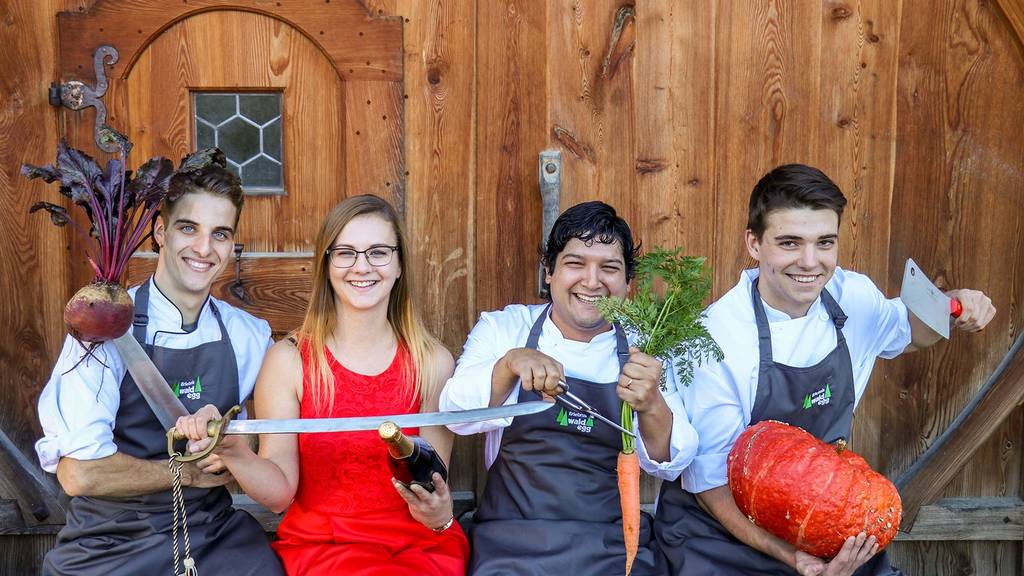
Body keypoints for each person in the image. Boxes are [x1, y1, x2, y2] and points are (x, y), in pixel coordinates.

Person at [654, 163, 997, 576]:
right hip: (723, 534)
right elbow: (711, 484)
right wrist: (794, 560)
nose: (810, 262)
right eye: (790, 243)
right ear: (754, 244)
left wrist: (954, 304)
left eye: (825, 242)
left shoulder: (851, 296)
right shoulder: (715, 339)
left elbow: (910, 330)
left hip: (823, 519)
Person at [174, 194, 470, 575]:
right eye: (345, 252)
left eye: (378, 252)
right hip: (325, 546)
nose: (362, 266)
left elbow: (432, 485)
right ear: (327, 265)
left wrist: (439, 510)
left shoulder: (432, 363)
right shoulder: (290, 361)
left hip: (418, 547)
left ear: (399, 265)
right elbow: (280, 495)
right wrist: (234, 451)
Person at [36, 153, 284, 575]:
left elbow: (259, 445)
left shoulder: (249, 336)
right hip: (112, 541)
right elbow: (81, 475)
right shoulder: (104, 328)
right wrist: (186, 474)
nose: (204, 249)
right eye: (189, 228)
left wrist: (224, 445)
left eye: (220, 234)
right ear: (160, 231)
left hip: (213, 533)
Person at [440, 200, 698, 575]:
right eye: (575, 264)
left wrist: (652, 402)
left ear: (628, 283)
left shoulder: (647, 346)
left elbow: (669, 463)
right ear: (549, 271)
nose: (592, 282)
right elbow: (455, 415)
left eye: (609, 268)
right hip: (511, 544)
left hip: (613, 545)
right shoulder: (505, 328)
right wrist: (510, 364)